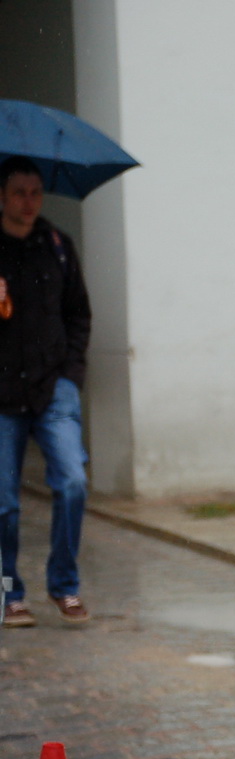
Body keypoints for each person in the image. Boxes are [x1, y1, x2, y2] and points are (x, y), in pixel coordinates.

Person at [0, 157, 93, 628]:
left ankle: (65, 585)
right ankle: (7, 592)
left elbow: (79, 312)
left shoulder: (57, 245)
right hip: (1, 393)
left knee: (73, 482)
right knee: (4, 504)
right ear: (2, 196)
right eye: (20, 192)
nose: (29, 201)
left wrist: (71, 373)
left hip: (53, 387)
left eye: (35, 192)